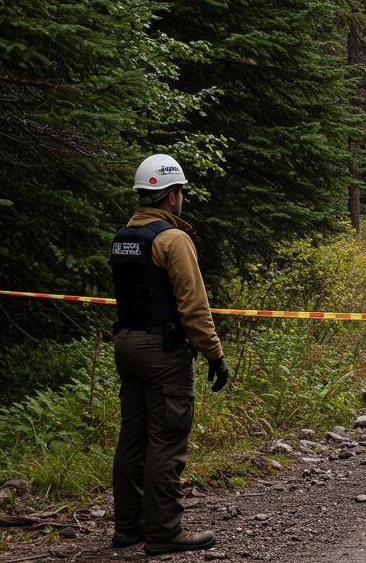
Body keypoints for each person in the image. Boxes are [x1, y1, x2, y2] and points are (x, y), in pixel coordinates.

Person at [109, 154, 229, 555]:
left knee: (134, 438)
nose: (181, 199)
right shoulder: (173, 239)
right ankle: (164, 532)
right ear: (172, 195)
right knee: (167, 439)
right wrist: (214, 354)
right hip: (162, 351)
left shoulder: (125, 236)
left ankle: (128, 528)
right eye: (180, 192)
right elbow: (193, 306)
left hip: (126, 344)